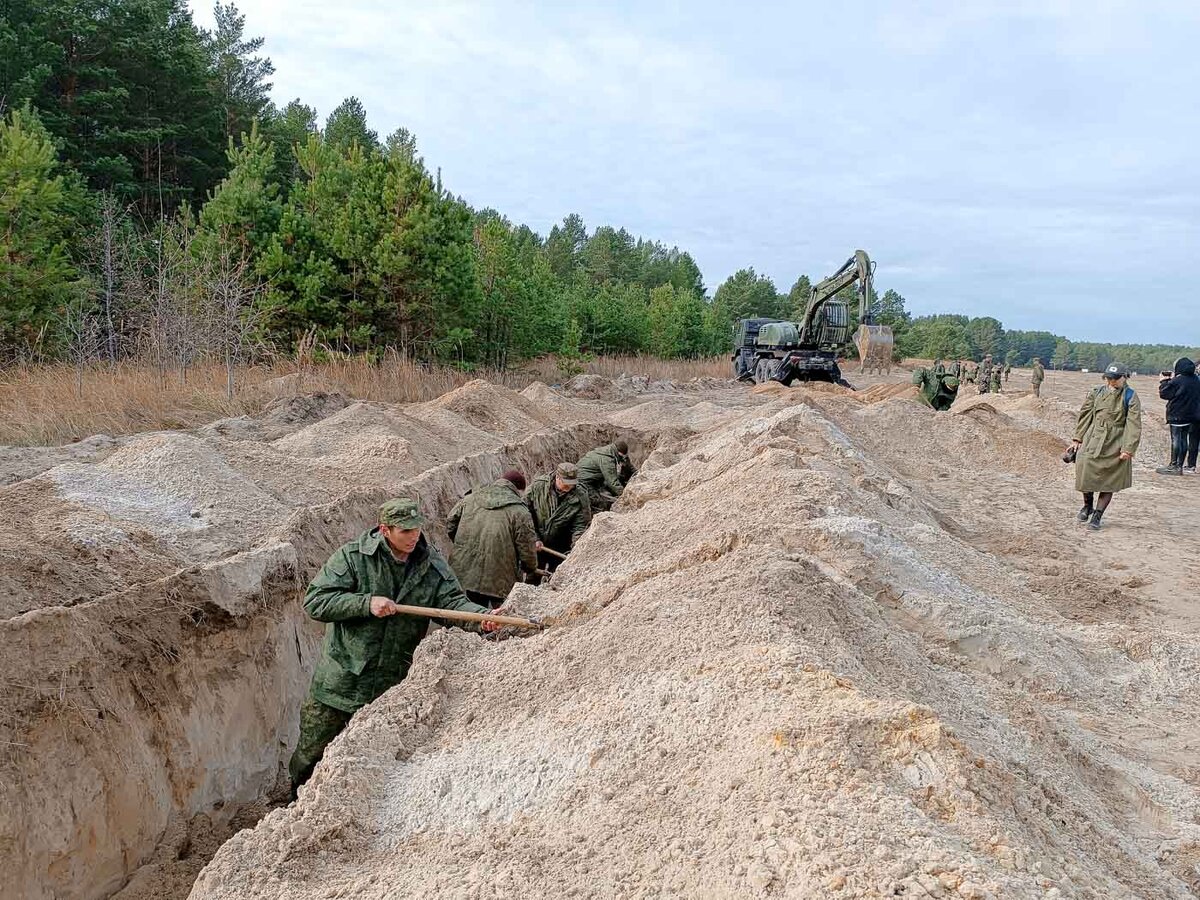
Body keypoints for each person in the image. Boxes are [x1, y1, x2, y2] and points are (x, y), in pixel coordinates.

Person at [288, 499, 495, 791]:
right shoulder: (354, 558)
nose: (413, 537)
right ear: (385, 530)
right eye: (405, 531)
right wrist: (364, 603)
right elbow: (315, 601)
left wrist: (482, 617)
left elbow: (453, 604)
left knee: (375, 761)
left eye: (417, 529)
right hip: (341, 680)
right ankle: (295, 803)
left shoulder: (430, 565)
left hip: (391, 685)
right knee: (311, 755)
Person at [447, 470, 540, 608]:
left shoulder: (470, 498)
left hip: (468, 569)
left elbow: (450, 524)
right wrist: (530, 568)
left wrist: (463, 546)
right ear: (518, 490)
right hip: (501, 576)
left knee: (473, 608)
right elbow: (526, 547)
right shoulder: (520, 512)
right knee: (501, 616)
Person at [1071, 364, 1142, 530]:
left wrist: (1128, 449)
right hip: (1093, 438)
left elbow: (1133, 424)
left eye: (1115, 378)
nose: (1112, 382)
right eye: (1109, 378)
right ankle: (1087, 506)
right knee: (1084, 470)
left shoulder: (1130, 396)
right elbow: (1085, 415)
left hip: (1116, 441)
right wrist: (1077, 438)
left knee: (1109, 480)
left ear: (1125, 377)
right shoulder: (1096, 392)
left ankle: (1097, 515)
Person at [526, 462, 592, 562]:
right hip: (537, 542)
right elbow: (524, 513)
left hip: (561, 545)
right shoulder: (538, 486)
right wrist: (534, 537)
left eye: (572, 484)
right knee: (533, 574)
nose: (569, 487)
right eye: (566, 483)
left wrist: (576, 549)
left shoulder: (580, 495)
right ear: (557, 477)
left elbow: (581, 525)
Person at [1156, 357, 1200, 475]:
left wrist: (1163, 381)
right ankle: (1180, 465)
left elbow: (1164, 394)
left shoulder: (1177, 381)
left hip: (1177, 414)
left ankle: (1174, 465)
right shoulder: (1196, 379)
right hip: (1190, 415)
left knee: (1176, 439)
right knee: (1184, 439)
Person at [577, 439, 636, 512]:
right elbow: (612, 482)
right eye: (621, 456)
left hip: (592, 479)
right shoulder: (607, 460)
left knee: (608, 491)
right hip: (583, 482)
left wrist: (636, 472)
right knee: (599, 502)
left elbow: (628, 466)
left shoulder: (607, 451)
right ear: (618, 453)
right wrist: (625, 496)